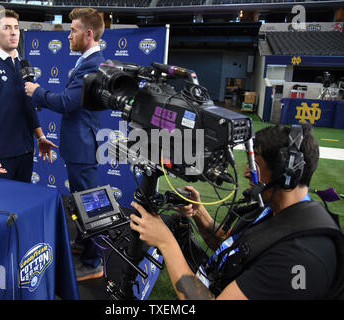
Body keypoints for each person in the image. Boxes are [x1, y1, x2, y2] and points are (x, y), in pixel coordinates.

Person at [130, 123, 343, 299]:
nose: (246, 173)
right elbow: (237, 251)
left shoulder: (298, 257)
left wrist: (166, 242)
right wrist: (199, 213)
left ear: (285, 171)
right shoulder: (276, 210)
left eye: (255, 165)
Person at [24, 8, 105, 281]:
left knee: (89, 205)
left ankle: (94, 261)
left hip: (82, 147)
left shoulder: (93, 64)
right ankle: (85, 246)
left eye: (73, 30)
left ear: (88, 33)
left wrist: (37, 93)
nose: (69, 34)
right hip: (79, 146)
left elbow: (67, 103)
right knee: (83, 202)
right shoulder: (87, 61)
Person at [0, 9, 57, 183]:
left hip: (25, 151)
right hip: (0, 154)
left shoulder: (23, 64)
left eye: (16, 27)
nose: (14, 31)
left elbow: (28, 105)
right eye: (7, 27)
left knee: (20, 206)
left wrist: (41, 137)